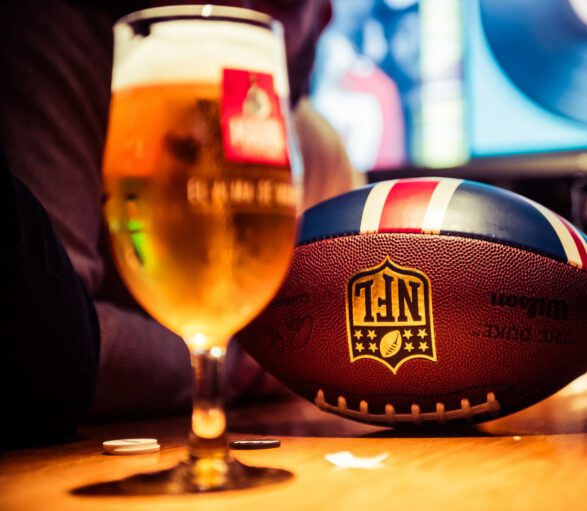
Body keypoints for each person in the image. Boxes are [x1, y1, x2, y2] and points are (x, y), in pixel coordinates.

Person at [0, 0, 358, 436]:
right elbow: (42, 337)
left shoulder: (313, 143)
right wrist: (239, 365)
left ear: (322, 19)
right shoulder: (72, 55)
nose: (238, 13)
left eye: (280, 1)